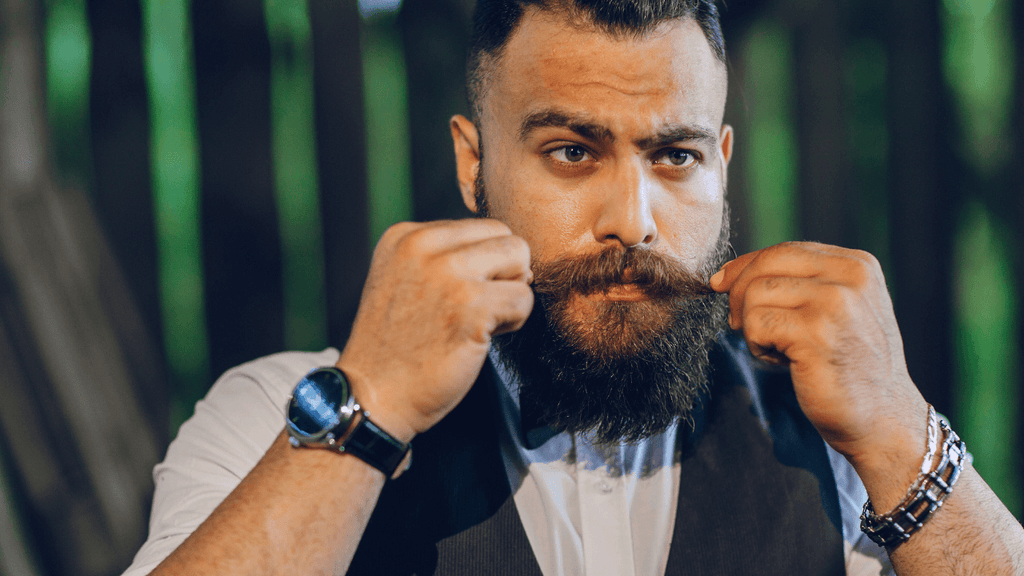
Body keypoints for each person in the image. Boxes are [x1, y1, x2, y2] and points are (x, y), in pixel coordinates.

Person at [122, 1, 1024, 575]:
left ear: (723, 165)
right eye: (572, 152)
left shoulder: (840, 450)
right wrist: (371, 406)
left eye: (676, 155)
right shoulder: (272, 423)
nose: (631, 217)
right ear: (474, 165)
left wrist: (908, 441)